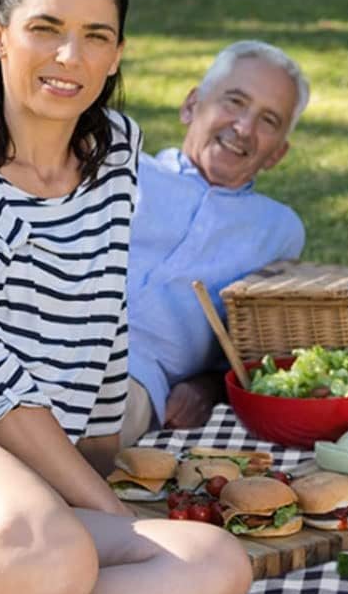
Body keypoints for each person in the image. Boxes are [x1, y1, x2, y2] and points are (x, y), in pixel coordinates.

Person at [0, 0, 251, 594]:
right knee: (55, 553)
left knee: (210, 561)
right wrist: (100, 503)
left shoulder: (116, 158)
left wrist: (103, 458)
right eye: (45, 27)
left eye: (95, 36)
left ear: (116, 56)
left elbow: (104, 321)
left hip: (23, 486)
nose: (68, 55)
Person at [121, 40, 309, 443]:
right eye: (234, 101)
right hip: (44, 338)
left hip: (129, 380)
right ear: (191, 106)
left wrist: (208, 386)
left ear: (278, 154)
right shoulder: (123, 170)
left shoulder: (277, 230)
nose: (243, 128)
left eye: (268, 121)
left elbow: (255, 342)